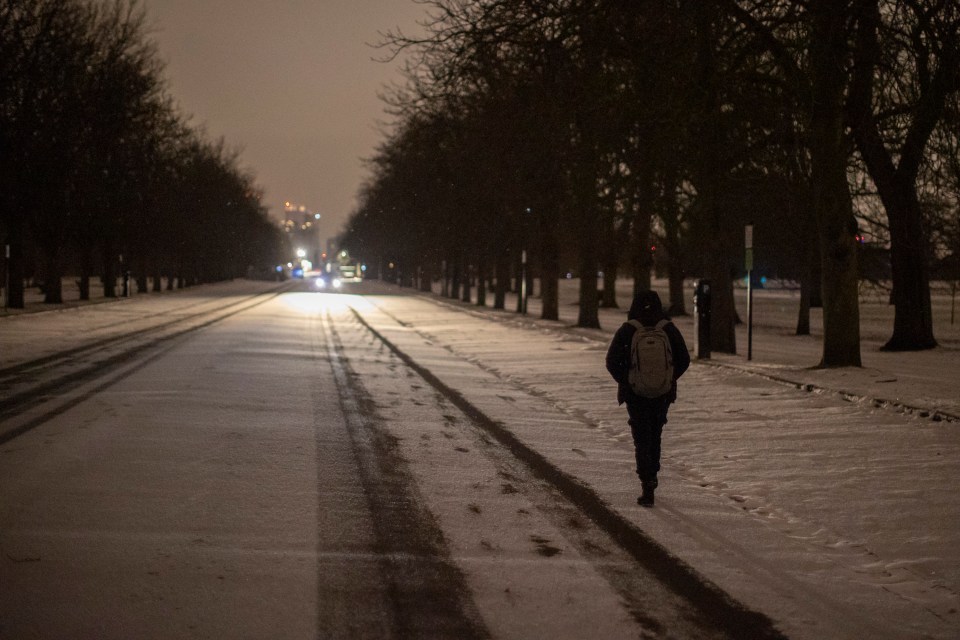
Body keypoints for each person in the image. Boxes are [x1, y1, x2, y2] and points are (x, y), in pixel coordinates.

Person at [605, 290, 690, 507]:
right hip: (662, 392)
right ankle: (653, 473)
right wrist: (669, 378)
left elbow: (611, 361)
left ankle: (646, 481)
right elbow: (684, 359)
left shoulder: (628, 329)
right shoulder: (668, 329)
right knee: (656, 433)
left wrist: (628, 380)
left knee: (641, 437)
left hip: (635, 394)